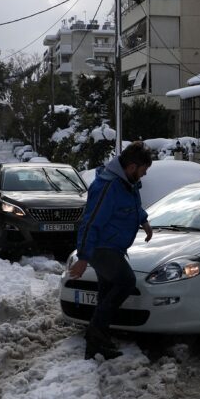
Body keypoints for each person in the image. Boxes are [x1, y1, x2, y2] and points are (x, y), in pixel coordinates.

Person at [68, 142, 154, 360]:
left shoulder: (126, 184)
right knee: (126, 282)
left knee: (107, 292)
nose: (143, 175)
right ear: (132, 167)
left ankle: (97, 344)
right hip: (102, 248)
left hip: (113, 247)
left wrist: (143, 220)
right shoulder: (107, 186)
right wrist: (83, 257)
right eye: (143, 171)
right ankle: (95, 335)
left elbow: (130, 207)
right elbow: (90, 222)